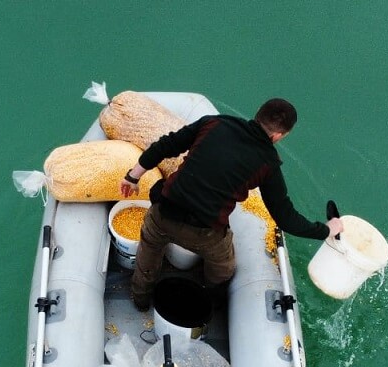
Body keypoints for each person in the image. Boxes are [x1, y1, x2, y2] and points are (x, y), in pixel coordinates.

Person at [119, 97, 344, 311]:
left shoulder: (214, 123)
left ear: (258, 114)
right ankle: (208, 299)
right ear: (278, 135)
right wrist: (326, 229)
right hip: (204, 232)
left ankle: (140, 298)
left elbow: (165, 145)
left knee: (149, 246)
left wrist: (132, 177)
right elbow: (285, 218)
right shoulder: (268, 163)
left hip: (163, 212)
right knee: (223, 268)